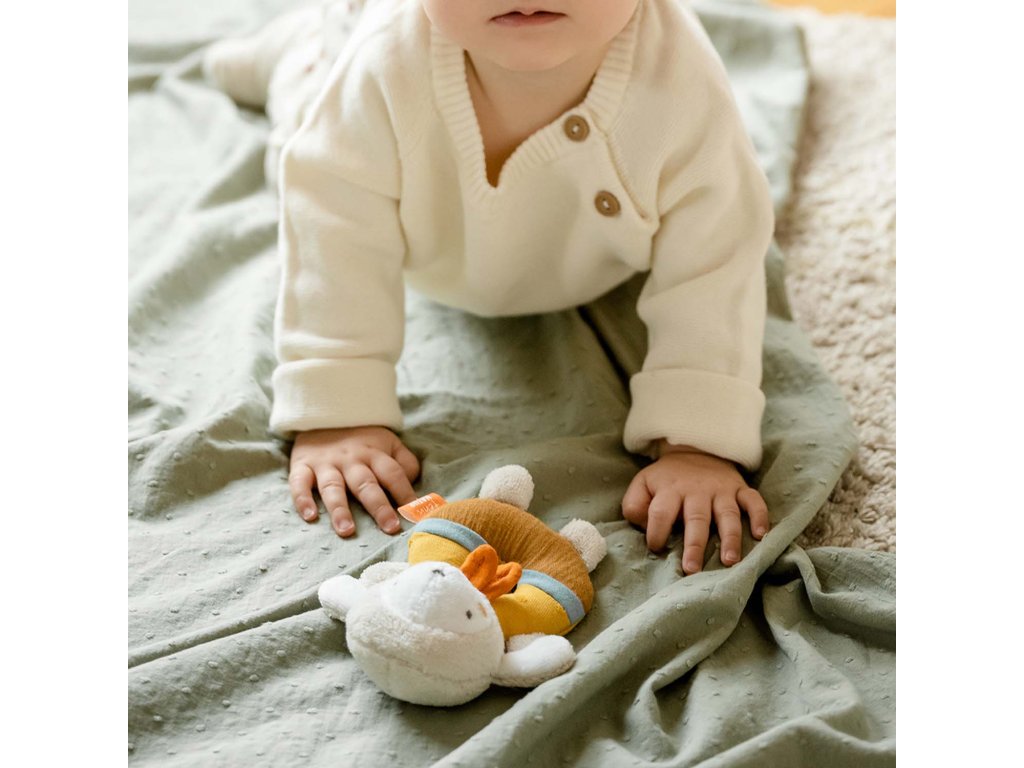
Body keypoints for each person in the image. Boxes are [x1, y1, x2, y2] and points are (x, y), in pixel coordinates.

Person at [203, 0, 773, 576]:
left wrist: (696, 443)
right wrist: (340, 407)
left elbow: (716, 251)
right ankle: (301, 48)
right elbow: (333, 218)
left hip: (592, 259)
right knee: (306, 109)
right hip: (425, 234)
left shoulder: (682, 86)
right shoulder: (387, 65)